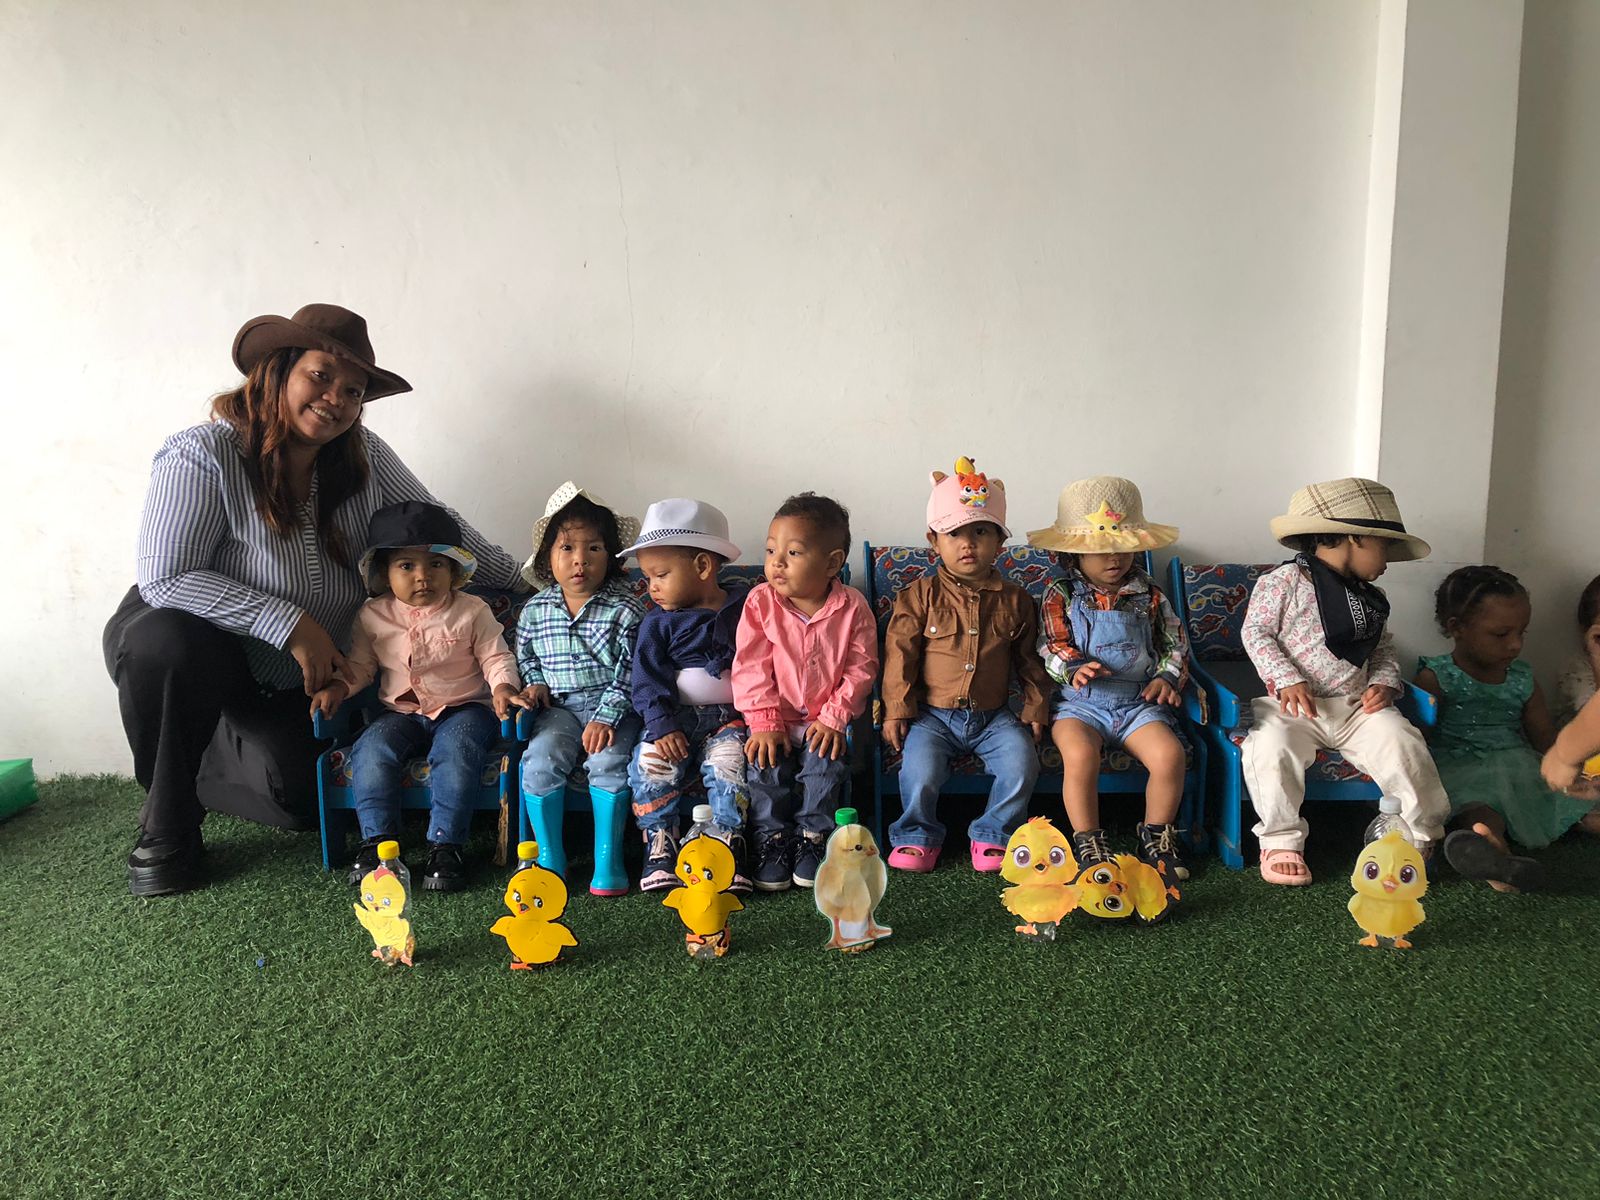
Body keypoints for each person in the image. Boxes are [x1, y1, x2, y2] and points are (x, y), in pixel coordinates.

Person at [103, 305, 521, 896]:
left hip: (294, 679)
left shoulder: (363, 455)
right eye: (321, 376)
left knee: (305, 799)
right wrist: (291, 624)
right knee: (165, 640)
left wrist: (524, 580)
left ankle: (208, 750)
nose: (335, 399)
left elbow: (434, 525)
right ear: (277, 370)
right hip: (194, 648)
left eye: (353, 391)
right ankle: (168, 821)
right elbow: (166, 576)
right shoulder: (202, 453)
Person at [1240, 478, 1449, 885]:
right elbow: (1256, 633)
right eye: (1385, 546)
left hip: (1357, 709)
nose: (1388, 560)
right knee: (1269, 747)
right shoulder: (1283, 582)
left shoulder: (1368, 599)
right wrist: (1286, 678)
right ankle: (1281, 840)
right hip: (1293, 708)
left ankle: (1418, 837)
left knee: (1403, 743)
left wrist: (1384, 683)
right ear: (1356, 537)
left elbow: (1382, 648)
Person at [310, 502, 527, 891]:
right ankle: (379, 843)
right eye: (406, 566)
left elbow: (495, 656)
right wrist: (339, 687)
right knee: (372, 750)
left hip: (465, 709)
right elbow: (361, 666)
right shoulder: (373, 615)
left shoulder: (471, 610)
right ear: (384, 574)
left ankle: (446, 845)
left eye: (436, 564)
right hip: (401, 712)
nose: (423, 576)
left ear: (454, 571)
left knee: (455, 751)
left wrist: (502, 687)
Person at [882, 457, 1050, 873]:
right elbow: (900, 656)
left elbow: (1030, 660)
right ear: (934, 542)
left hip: (994, 717)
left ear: (1000, 543)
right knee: (918, 771)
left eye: (981, 532)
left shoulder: (1017, 600)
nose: (967, 544)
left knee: (1022, 763)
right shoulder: (918, 596)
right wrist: (897, 710)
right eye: (954, 533)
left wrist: (1035, 706)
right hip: (932, 717)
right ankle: (916, 834)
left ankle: (994, 832)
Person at [1028, 476, 1192, 879]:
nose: (1113, 558)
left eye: (1121, 547)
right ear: (1073, 554)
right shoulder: (1061, 593)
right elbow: (1050, 643)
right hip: (1080, 705)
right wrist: (1072, 665)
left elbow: (1174, 641)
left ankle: (1157, 836)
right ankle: (1089, 841)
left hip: (1138, 703)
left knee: (1169, 755)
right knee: (1080, 755)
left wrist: (1167, 678)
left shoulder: (1149, 593)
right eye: (1099, 550)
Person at [1416, 566, 1599, 894]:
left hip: (1517, 765)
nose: (1515, 645)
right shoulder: (1436, 677)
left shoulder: (1522, 678)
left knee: (1572, 804)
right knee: (1478, 810)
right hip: (1458, 766)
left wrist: (1574, 771)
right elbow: (1418, 739)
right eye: (1501, 635)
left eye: (1522, 633)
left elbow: (1545, 738)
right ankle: (1493, 855)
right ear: (1457, 628)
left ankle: (1584, 822)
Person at [733, 493, 878, 891]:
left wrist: (834, 718)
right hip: (773, 719)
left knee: (824, 768)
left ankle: (814, 837)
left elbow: (861, 668)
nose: (777, 562)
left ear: (832, 563)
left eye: (793, 552)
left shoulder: (853, 608)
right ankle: (771, 839)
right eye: (771, 550)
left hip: (824, 720)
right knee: (765, 767)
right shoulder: (760, 603)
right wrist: (764, 722)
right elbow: (750, 666)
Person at [514, 483, 645, 895]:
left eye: (594, 548)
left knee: (609, 763)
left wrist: (606, 717)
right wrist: (535, 682)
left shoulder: (626, 609)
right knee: (539, 761)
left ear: (611, 557)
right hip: (559, 709)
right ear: (547, 557)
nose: (580, 560)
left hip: (614, 706)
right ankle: (550, 858)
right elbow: (526, 657)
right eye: (567, 548)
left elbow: (631, 672)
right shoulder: (535, 611)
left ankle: (608, 859)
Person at [623, 499, 753, 892]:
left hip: (729, 720)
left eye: (661, 575)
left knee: (731, 768)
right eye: (647, 577)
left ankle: (725, 845)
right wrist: (661, 725)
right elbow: (645, 679)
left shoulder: (747, 606)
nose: (652, 587)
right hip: (672, 720)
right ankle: (659, 841)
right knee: (650, 765)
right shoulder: (657, 623)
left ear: (702, 566)